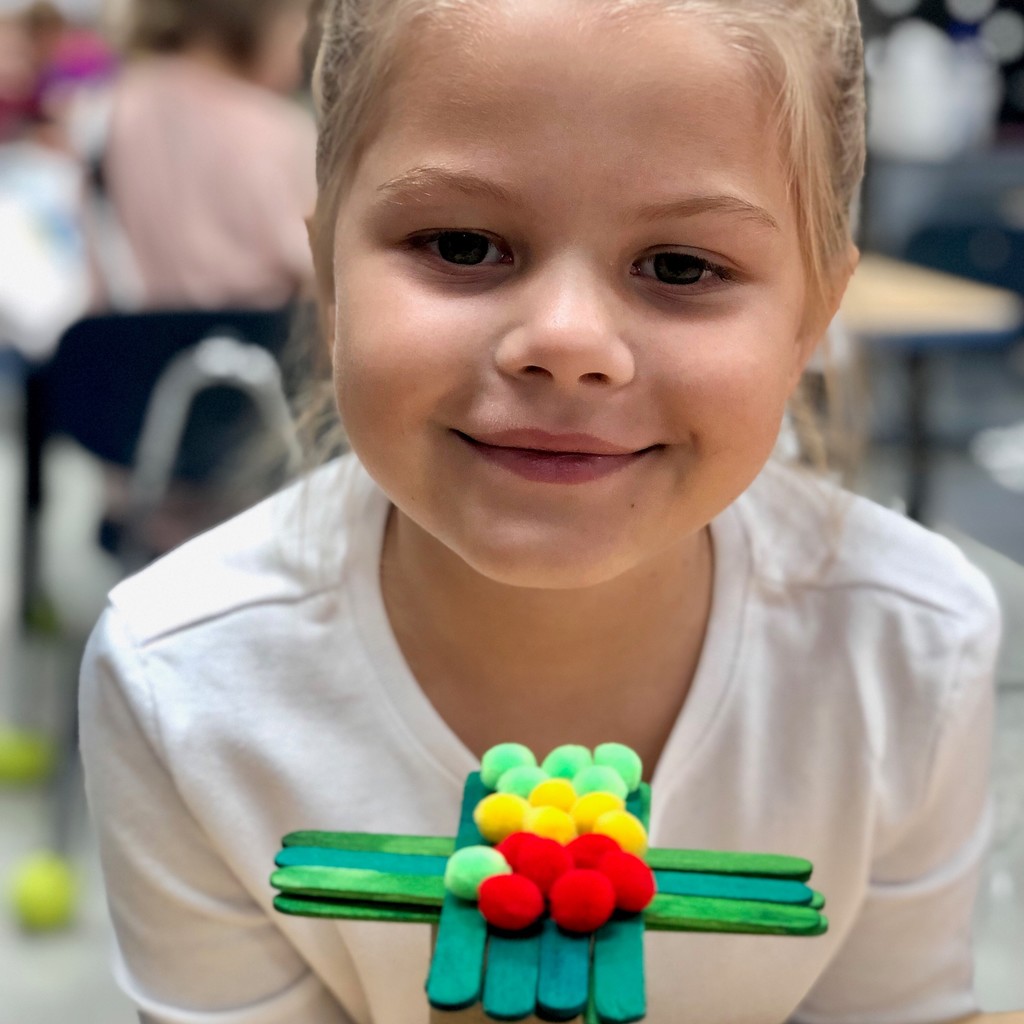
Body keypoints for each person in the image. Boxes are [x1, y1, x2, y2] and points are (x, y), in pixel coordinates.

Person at [78, 1, 1003, 1022]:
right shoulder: (183, 678)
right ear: (329, 275)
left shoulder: (912, 646)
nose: (565, 339)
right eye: (465, 243)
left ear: (813, 317)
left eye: (681, 267)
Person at [95, 0, 316, 310]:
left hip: (150, 333)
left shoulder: (119, 107)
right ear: (254, 21)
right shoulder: (271, 126)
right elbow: (310, 262)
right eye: (294, 24)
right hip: (258, 333)